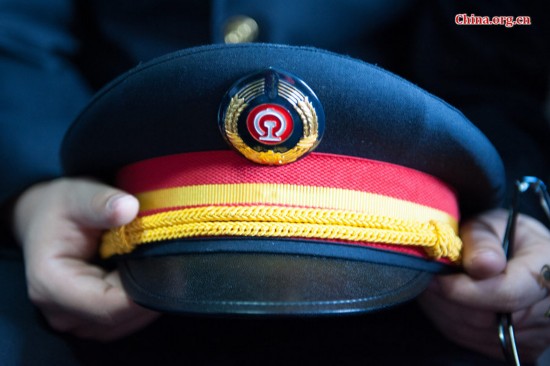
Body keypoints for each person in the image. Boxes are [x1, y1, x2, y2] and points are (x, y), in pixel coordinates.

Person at [1, 0, 549, 365]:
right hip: (99, 232)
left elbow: (495, 34)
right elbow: (15, 30)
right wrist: (33, 186)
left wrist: (516, 210)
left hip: (425, 269)